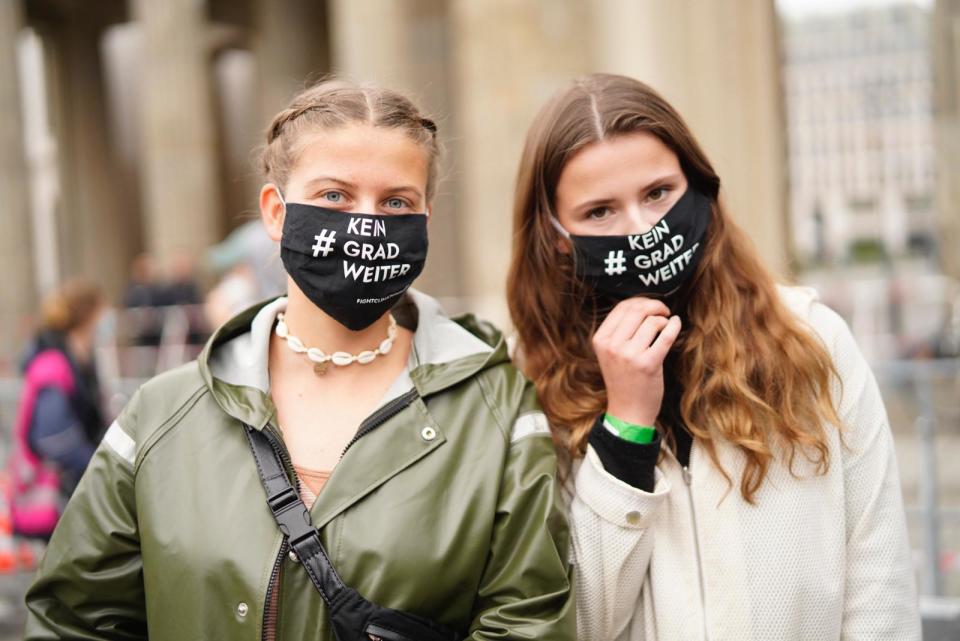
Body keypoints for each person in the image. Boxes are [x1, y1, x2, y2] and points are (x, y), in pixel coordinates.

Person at [24, 79, 574, 641]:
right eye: (334, 196)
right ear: (275, 213)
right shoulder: (160, 415)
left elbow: (528, 618)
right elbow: (74, 620)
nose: (367, 222)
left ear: (424, 219)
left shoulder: (498, 408)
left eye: (396, 202)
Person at [506, 73, 920, 640]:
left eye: (657, 193)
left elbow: (878, 579)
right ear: (556, 234)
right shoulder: (527, 388)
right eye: (600, 212)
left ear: (698, 188)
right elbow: (577, 622)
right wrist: (625, 429)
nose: (642, 229)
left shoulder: (812, 341)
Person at [10, 279, 107, 539]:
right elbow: (55, 437)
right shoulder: (54, 364)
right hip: (60, 496)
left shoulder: (78, 360)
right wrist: (101, 468)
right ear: (88, 317)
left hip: (71, 493)